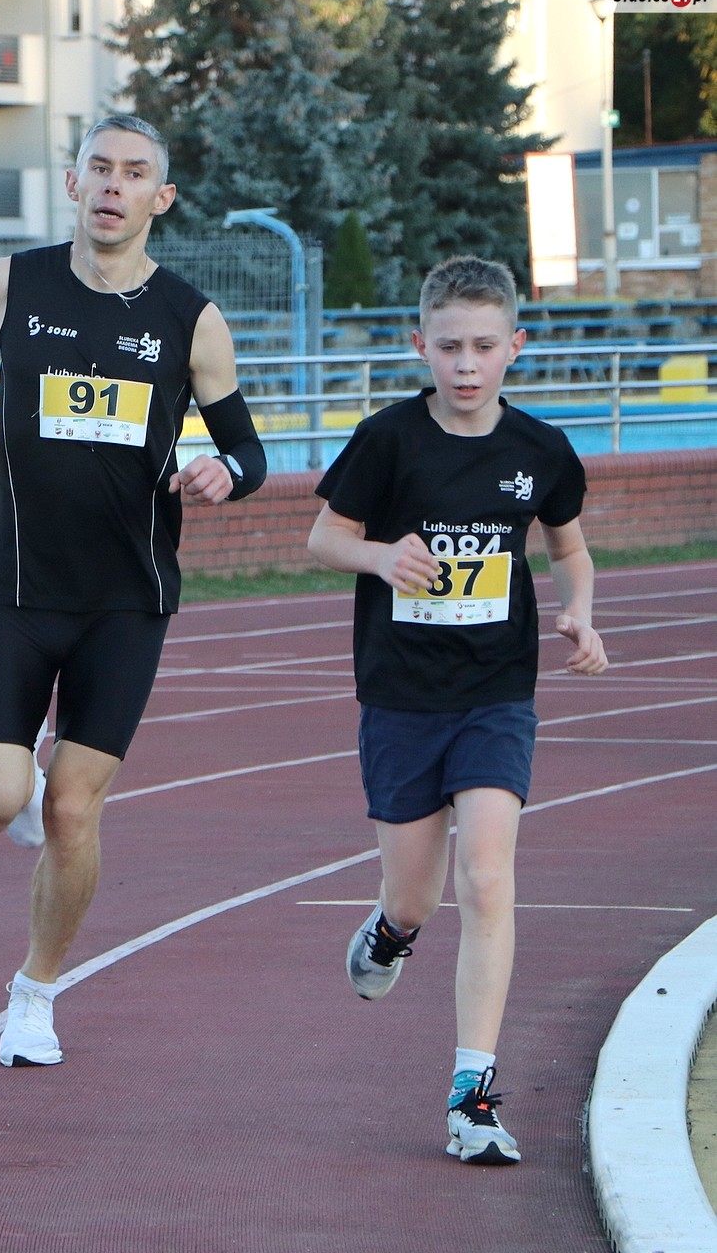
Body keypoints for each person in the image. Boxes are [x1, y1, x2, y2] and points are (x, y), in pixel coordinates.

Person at [0, 114, 267, 1068]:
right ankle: (19, 781)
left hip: (125, 603)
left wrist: (225, 471)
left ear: (160, 198)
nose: (113, 185)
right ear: (73, 182)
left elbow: (247, 447)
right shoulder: (11, 283)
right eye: (99, 168)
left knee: (73, 811)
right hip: (19, 589)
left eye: (134, 172)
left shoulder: (190, 318)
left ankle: (35, 994)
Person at [307, 254, 607, 1165]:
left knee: (485, 875)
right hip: (401, 695)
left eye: (483, 345)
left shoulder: (540, 450)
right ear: (419, 346)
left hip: (495, 692)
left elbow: (568, 550)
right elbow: (324, 537)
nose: (466, 364)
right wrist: (380, 556)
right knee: (418, 894)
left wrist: (579, 611)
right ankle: (391, 930)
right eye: (448, 347)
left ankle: (470, 1097)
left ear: (516, 345)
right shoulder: (387, 440)